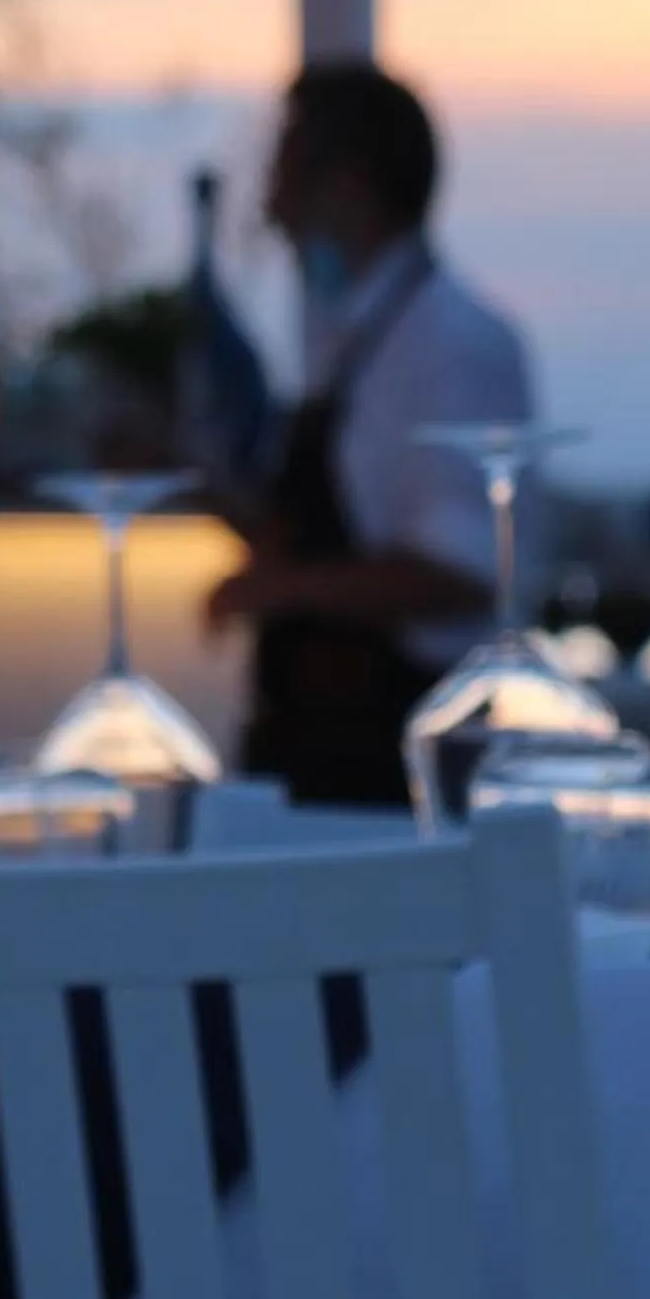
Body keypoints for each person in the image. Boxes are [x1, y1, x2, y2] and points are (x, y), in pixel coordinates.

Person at [205, 60, 534, 806]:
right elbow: (335, 524)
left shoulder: (452, 340)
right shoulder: (354, 337)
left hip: (400, 766)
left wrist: (278, 589)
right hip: (309, 751)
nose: (271, 207)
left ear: (348, 189)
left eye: (283, 176)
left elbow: (461, 572)